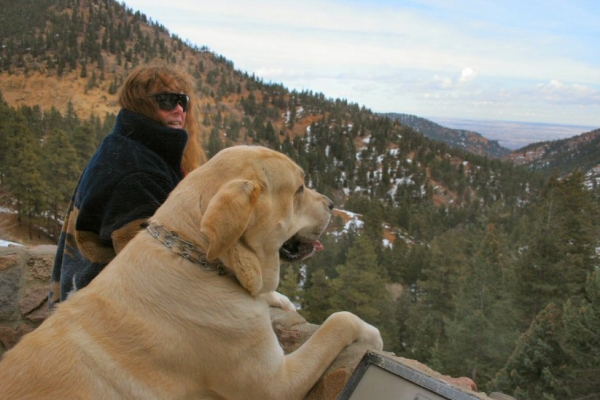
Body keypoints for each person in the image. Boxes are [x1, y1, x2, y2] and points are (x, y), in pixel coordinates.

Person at [49, 60, 205, 309]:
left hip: (82, 295)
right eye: (166, 100)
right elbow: (151, 268)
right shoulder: (137, 170)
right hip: (104, 313)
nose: (178, 110)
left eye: (182, 101)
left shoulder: (130, 146)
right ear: (140, 105)